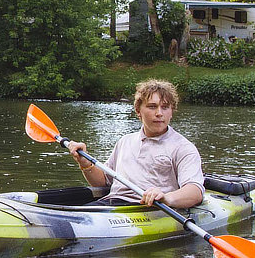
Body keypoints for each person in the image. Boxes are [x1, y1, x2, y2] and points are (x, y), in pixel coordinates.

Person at [66, 79, 204, 208]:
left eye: (165, 107)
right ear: (138, 111)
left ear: (171, 112)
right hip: (112, 205)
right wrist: (85, 163)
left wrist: (166, 198)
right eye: (152, 107)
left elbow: (195, 192)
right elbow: (103, 182)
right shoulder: (125, 142)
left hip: (148, 209)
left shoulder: (183, 148)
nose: (159, 113)